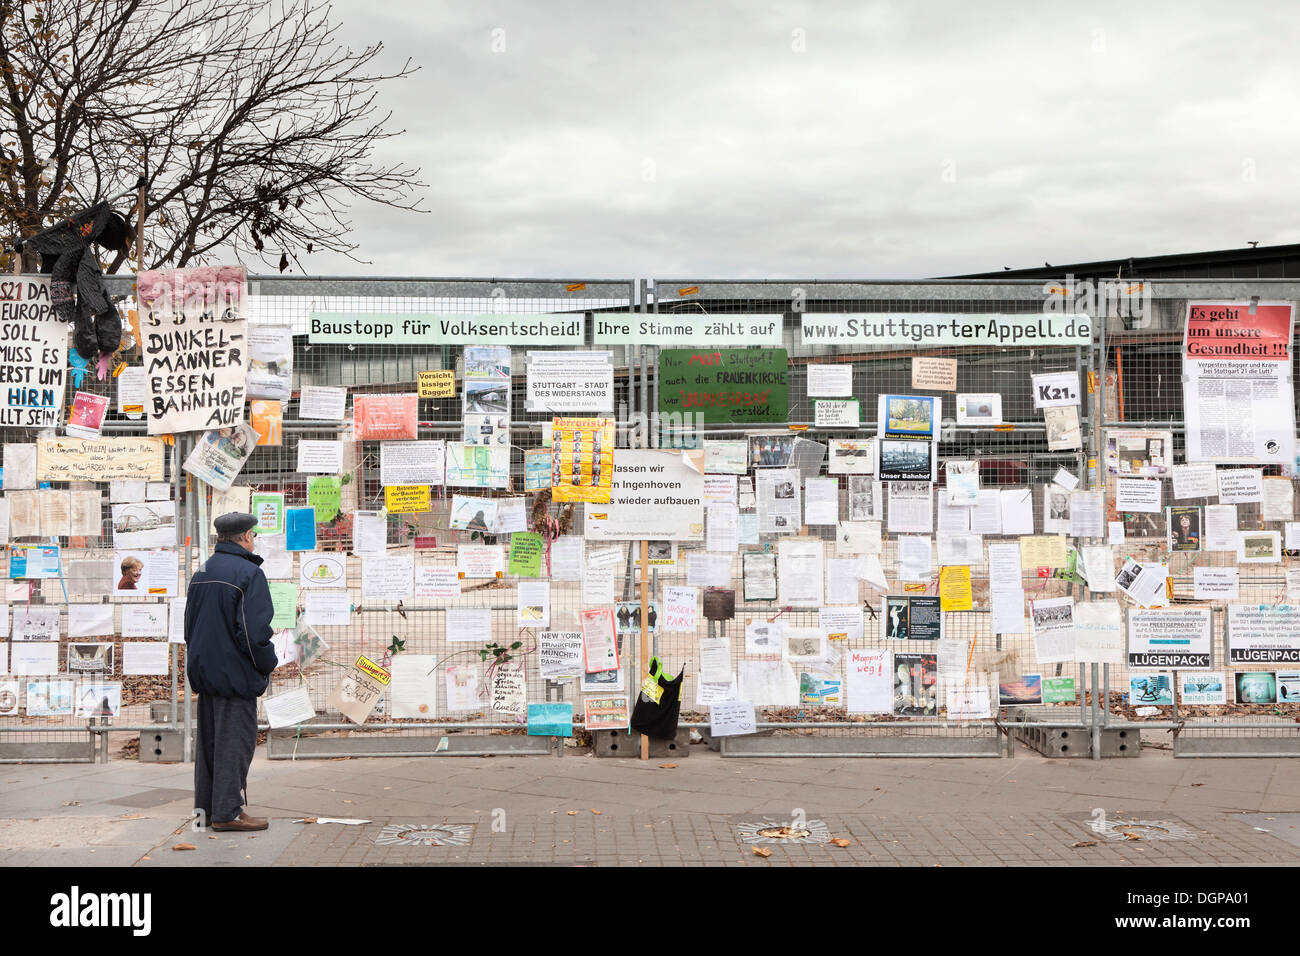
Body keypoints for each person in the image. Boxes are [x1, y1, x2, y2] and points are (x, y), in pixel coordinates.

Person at [185, 512, 278, 832]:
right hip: (235, 675)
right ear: (247, 536)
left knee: (209, 745)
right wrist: (267, 663)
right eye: (254, 535)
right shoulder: (249, 573)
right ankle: (228, 811)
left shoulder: (202, 571)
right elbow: (254, 634)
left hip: (206, 672)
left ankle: (207, 811)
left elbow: (189, 627)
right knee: (235, 744)